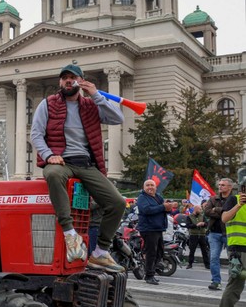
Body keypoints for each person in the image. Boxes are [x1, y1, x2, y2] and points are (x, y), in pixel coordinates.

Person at [30, 63, 126, 272]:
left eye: (72, 77)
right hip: (61, 161)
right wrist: (49, 156)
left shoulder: (91, 105)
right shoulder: (48, 104)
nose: (67, 80)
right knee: (53, 174)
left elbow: (118, 118)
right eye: (64, 77)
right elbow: (36, 134)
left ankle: (100, 252)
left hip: (87, 164)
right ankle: (70, 234)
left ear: (80, 82)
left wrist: (96, 95)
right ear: (60, 82)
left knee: (117, 203)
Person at [214, 181, 246, 307]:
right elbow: (224, 218)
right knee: (235, 285)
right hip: (239, 250)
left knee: (236, 285)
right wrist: (239, 205)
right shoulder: (235, 200)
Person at [136, 179, 174, 285]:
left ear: (155, 187)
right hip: (148, 229)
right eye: (147, 185)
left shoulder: (158, 197)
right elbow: (146, 210)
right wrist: (163, 207)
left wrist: (169, 207)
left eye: (152, 185)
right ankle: (149, 275)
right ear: (144, 187)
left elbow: (165, 209)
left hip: (158, 228)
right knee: (151, 253)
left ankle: (151, 271)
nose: (150, 187)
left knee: (159, 252)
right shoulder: (142, 198)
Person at [204, 178, 238, 290]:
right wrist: (224, 212)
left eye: (223, 185)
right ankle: (216, 281)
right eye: (219, 185)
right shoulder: (213, 198)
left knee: (232, 259)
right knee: (213, 258)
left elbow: (232, 215)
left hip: (229, 233)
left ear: (230, 187)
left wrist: (217, 210)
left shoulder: (234, 199)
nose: (220, 186)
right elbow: (207, 211)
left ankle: (232, 282)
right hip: (214, 233)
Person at [186, 203, 210, 270]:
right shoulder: (189, 216)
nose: (201, 210)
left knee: (204, 250)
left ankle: (207, 264)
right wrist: (196, 225)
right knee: (192, 250)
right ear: (196, 209)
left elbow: (207, 223)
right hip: (193, 235)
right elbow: (188, 225)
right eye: (200, 209)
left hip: (202, 235)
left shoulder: (202, 216)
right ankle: (190, 264)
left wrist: (203, 223)